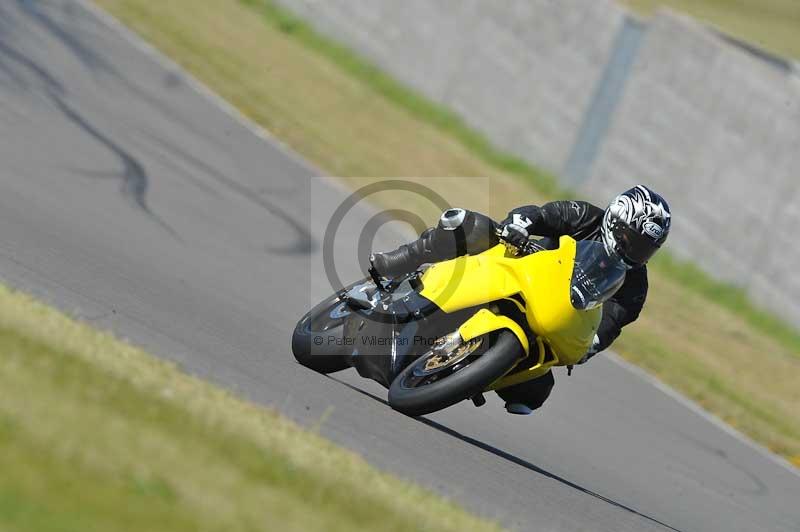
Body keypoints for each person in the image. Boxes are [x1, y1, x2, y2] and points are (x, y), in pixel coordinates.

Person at [370, 185, 671, 414]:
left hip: (550, 316)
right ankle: (402, 259)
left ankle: (470, 372)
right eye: (633, 239)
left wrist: (591, 344)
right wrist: (520, 225)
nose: (636, 251)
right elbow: (541, 215)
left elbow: (611, 323)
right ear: (614, 222)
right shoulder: (584, 216)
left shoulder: (635, 286)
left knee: (533, 395)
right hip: (520, 268)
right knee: (468, 225)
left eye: (646, 248)